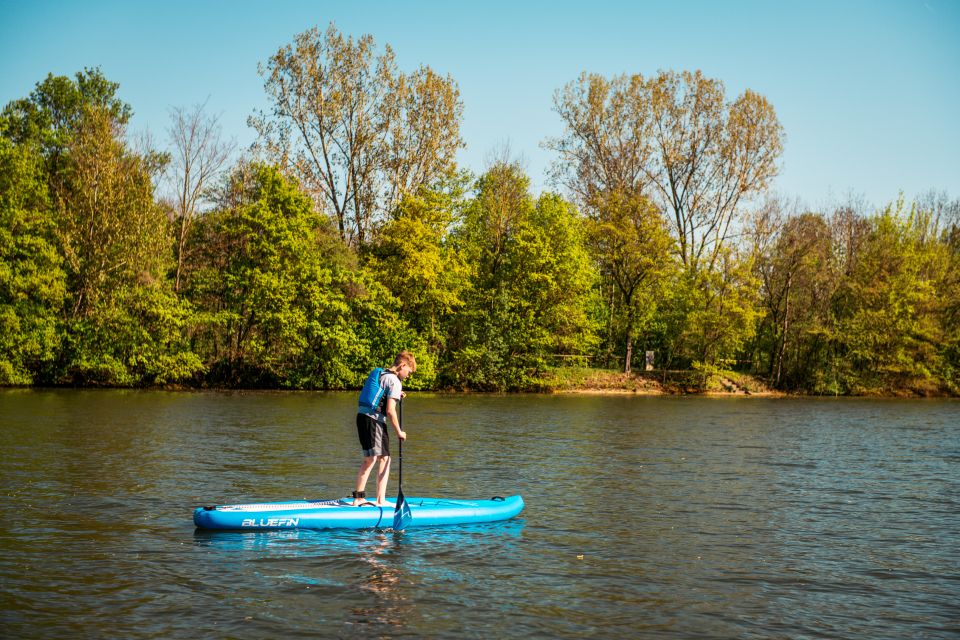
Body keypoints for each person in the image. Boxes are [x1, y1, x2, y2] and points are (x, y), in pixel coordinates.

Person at [352, 351, 416, 506]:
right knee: (381, 458)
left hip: (362, 418)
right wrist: (399, 432)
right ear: (403, 365)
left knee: (373, 459)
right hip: (375, 421)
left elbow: (381, 392)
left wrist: (396, 394)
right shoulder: (394, 381)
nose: (408, 375)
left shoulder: (382, 373)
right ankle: (375, 500)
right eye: (409, 371)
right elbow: (390, 411)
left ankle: (360, 497)